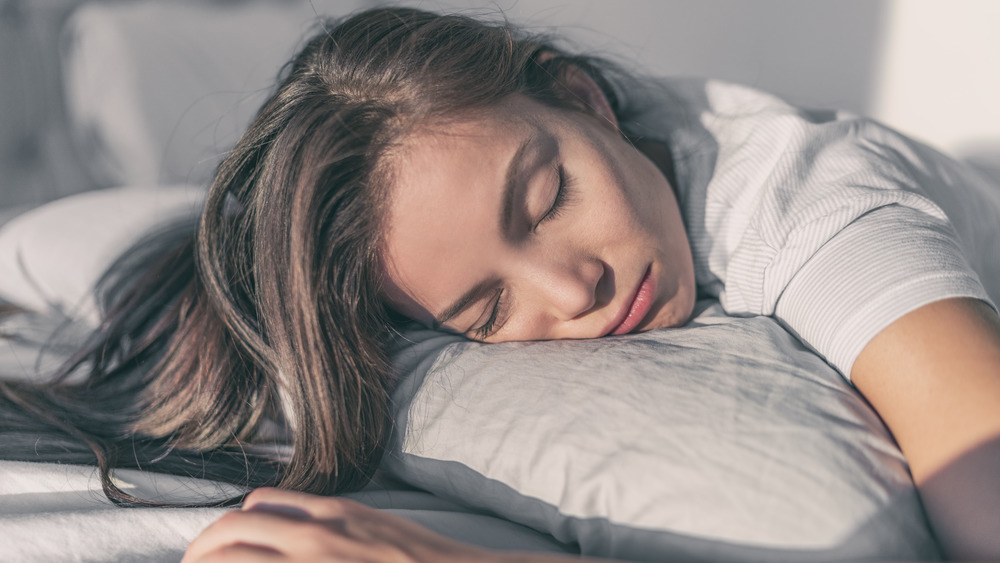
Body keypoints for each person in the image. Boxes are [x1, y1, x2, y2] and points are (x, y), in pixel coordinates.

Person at [1, 6, 998, 562]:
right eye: (484, 309)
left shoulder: (814, 203)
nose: (572, 289)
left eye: (550, 195)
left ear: (582, 96)